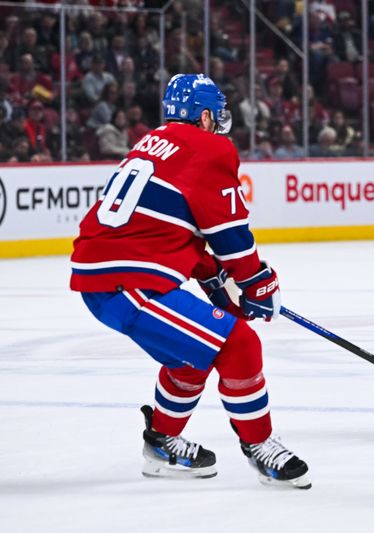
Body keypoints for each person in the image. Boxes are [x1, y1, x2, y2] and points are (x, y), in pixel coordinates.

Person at [69, 74, 311, 489]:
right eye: (215, 115)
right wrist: (258, 283)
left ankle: (162, 442)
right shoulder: (210, 146)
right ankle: (260, 445)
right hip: (127, 282)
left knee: (190, 355)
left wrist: (216, 281)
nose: (219, 124)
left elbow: (175, 230)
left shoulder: (154, 143)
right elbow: (230, 234)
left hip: (113, 277)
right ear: (203, 115)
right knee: (238, 343)